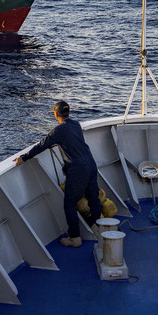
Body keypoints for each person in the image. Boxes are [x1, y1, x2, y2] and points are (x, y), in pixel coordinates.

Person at [14, 101, 100, 247]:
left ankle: (75, 238)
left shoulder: (58, 131)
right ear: (68, 113)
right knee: (93, 198)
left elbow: (42, 145)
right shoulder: (76, 125)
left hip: (78, 169)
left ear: (55, 114)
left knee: (70, 204)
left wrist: (24, 157)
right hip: (91, 164)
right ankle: (99, 227)